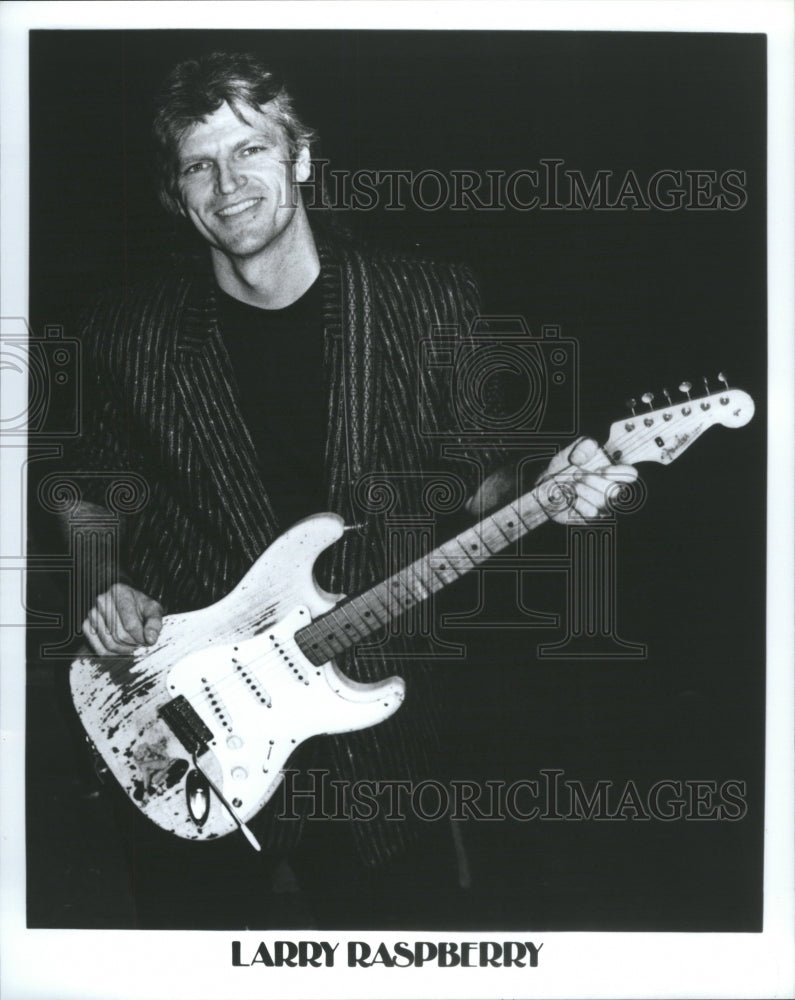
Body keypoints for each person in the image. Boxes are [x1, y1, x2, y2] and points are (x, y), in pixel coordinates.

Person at [66, 51, 636, 928]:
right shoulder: (125, 334)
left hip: (379, 738)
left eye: (250, 150)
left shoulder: (428, 301)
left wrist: (547, 485)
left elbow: (481, 482)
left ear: (300, 158)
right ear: (175, 191)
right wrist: (102, 579)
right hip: (184, 724)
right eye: (199, 164)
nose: (228, 184)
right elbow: (88, 486)